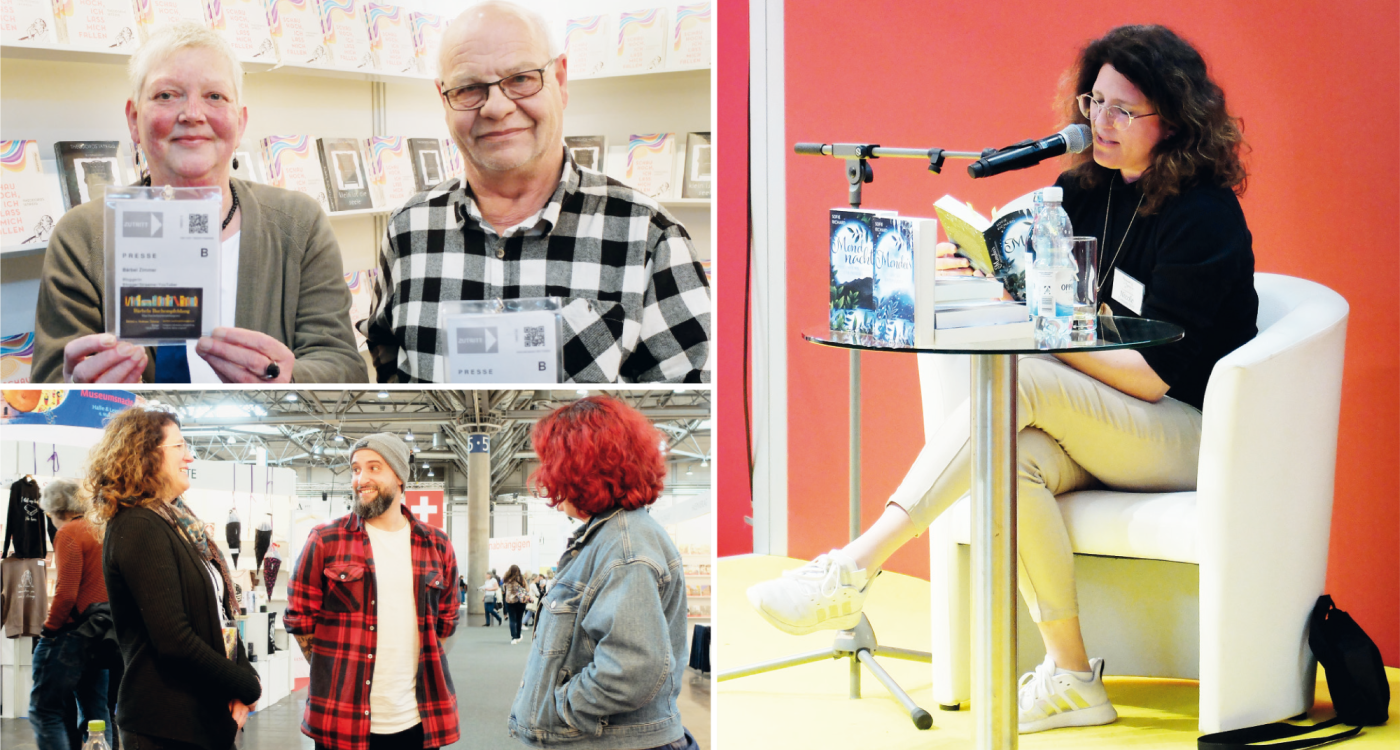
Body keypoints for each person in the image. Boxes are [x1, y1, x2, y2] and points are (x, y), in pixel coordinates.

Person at [747, 24, 1257, 734]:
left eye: (1121, 111)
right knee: (1004, 459)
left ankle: (852, 568)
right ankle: (1074, 676)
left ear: (1172, 119)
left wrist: (1036, 318)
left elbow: (1147, 377)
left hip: (1183, 428)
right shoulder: (1081, 188)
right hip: (1103, 419)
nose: (1097, 125)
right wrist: (985, 272)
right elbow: (1058, 302)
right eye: (1093, 102)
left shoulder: (1205, 217)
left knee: (1016, 380)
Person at [361, 0, 711, 383]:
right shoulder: (406, 230)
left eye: (521, 79)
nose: (496, 107)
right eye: (468, 88)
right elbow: (388, 357)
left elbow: (689, 402)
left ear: (559, 81)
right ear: (443, 99)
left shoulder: (648, 236)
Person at [32, 21, 367, 384]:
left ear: (240, 123)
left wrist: (289, 380)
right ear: (133, 120)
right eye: (166, 95)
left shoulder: (300, 225)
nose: (192, 114)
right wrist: (79, 388)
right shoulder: (81, 237)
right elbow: (51, 382)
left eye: (215, 96)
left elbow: (343, 365)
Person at [508, 396, 696, 750]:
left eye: (552, 463)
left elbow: (631, 668)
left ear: (578, 466)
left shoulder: (624, 545)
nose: (546, 475)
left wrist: (562, 706)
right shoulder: (611, 536)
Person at [87, 407, 262, 748]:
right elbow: (174, 639)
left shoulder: (178, 524)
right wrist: (246, 684)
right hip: (166, 723)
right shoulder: (139, 525)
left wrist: (244, 676)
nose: (190, 457)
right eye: (179, 447)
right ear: (146, 454)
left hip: (199, 715)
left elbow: (218, 617)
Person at [284, 433, 460, 750]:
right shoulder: (326, 539)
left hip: (417, 721)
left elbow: (445, 621)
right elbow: (300, 617)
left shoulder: (436, 544)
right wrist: (332, 670)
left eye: (374, 468)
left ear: (399, 477)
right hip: (342, 720)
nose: (360, 479)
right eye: (355, 469)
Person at [29, 479, 111, 750]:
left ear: (54, 509)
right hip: (101, 635)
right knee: (96, 713)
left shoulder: (68, 533)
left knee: (45, 711)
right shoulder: (100, 530)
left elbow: (66, 593)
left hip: (71, 634)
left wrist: (48, 630)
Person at [501, 564, 531, 644]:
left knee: (512, 619)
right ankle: (518, 636)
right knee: (519, 619)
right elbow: (527, 589)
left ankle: (513, 637)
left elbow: (504, 589)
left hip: (509, 601)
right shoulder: (521, 579)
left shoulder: (506, 579)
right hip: (520, 601)